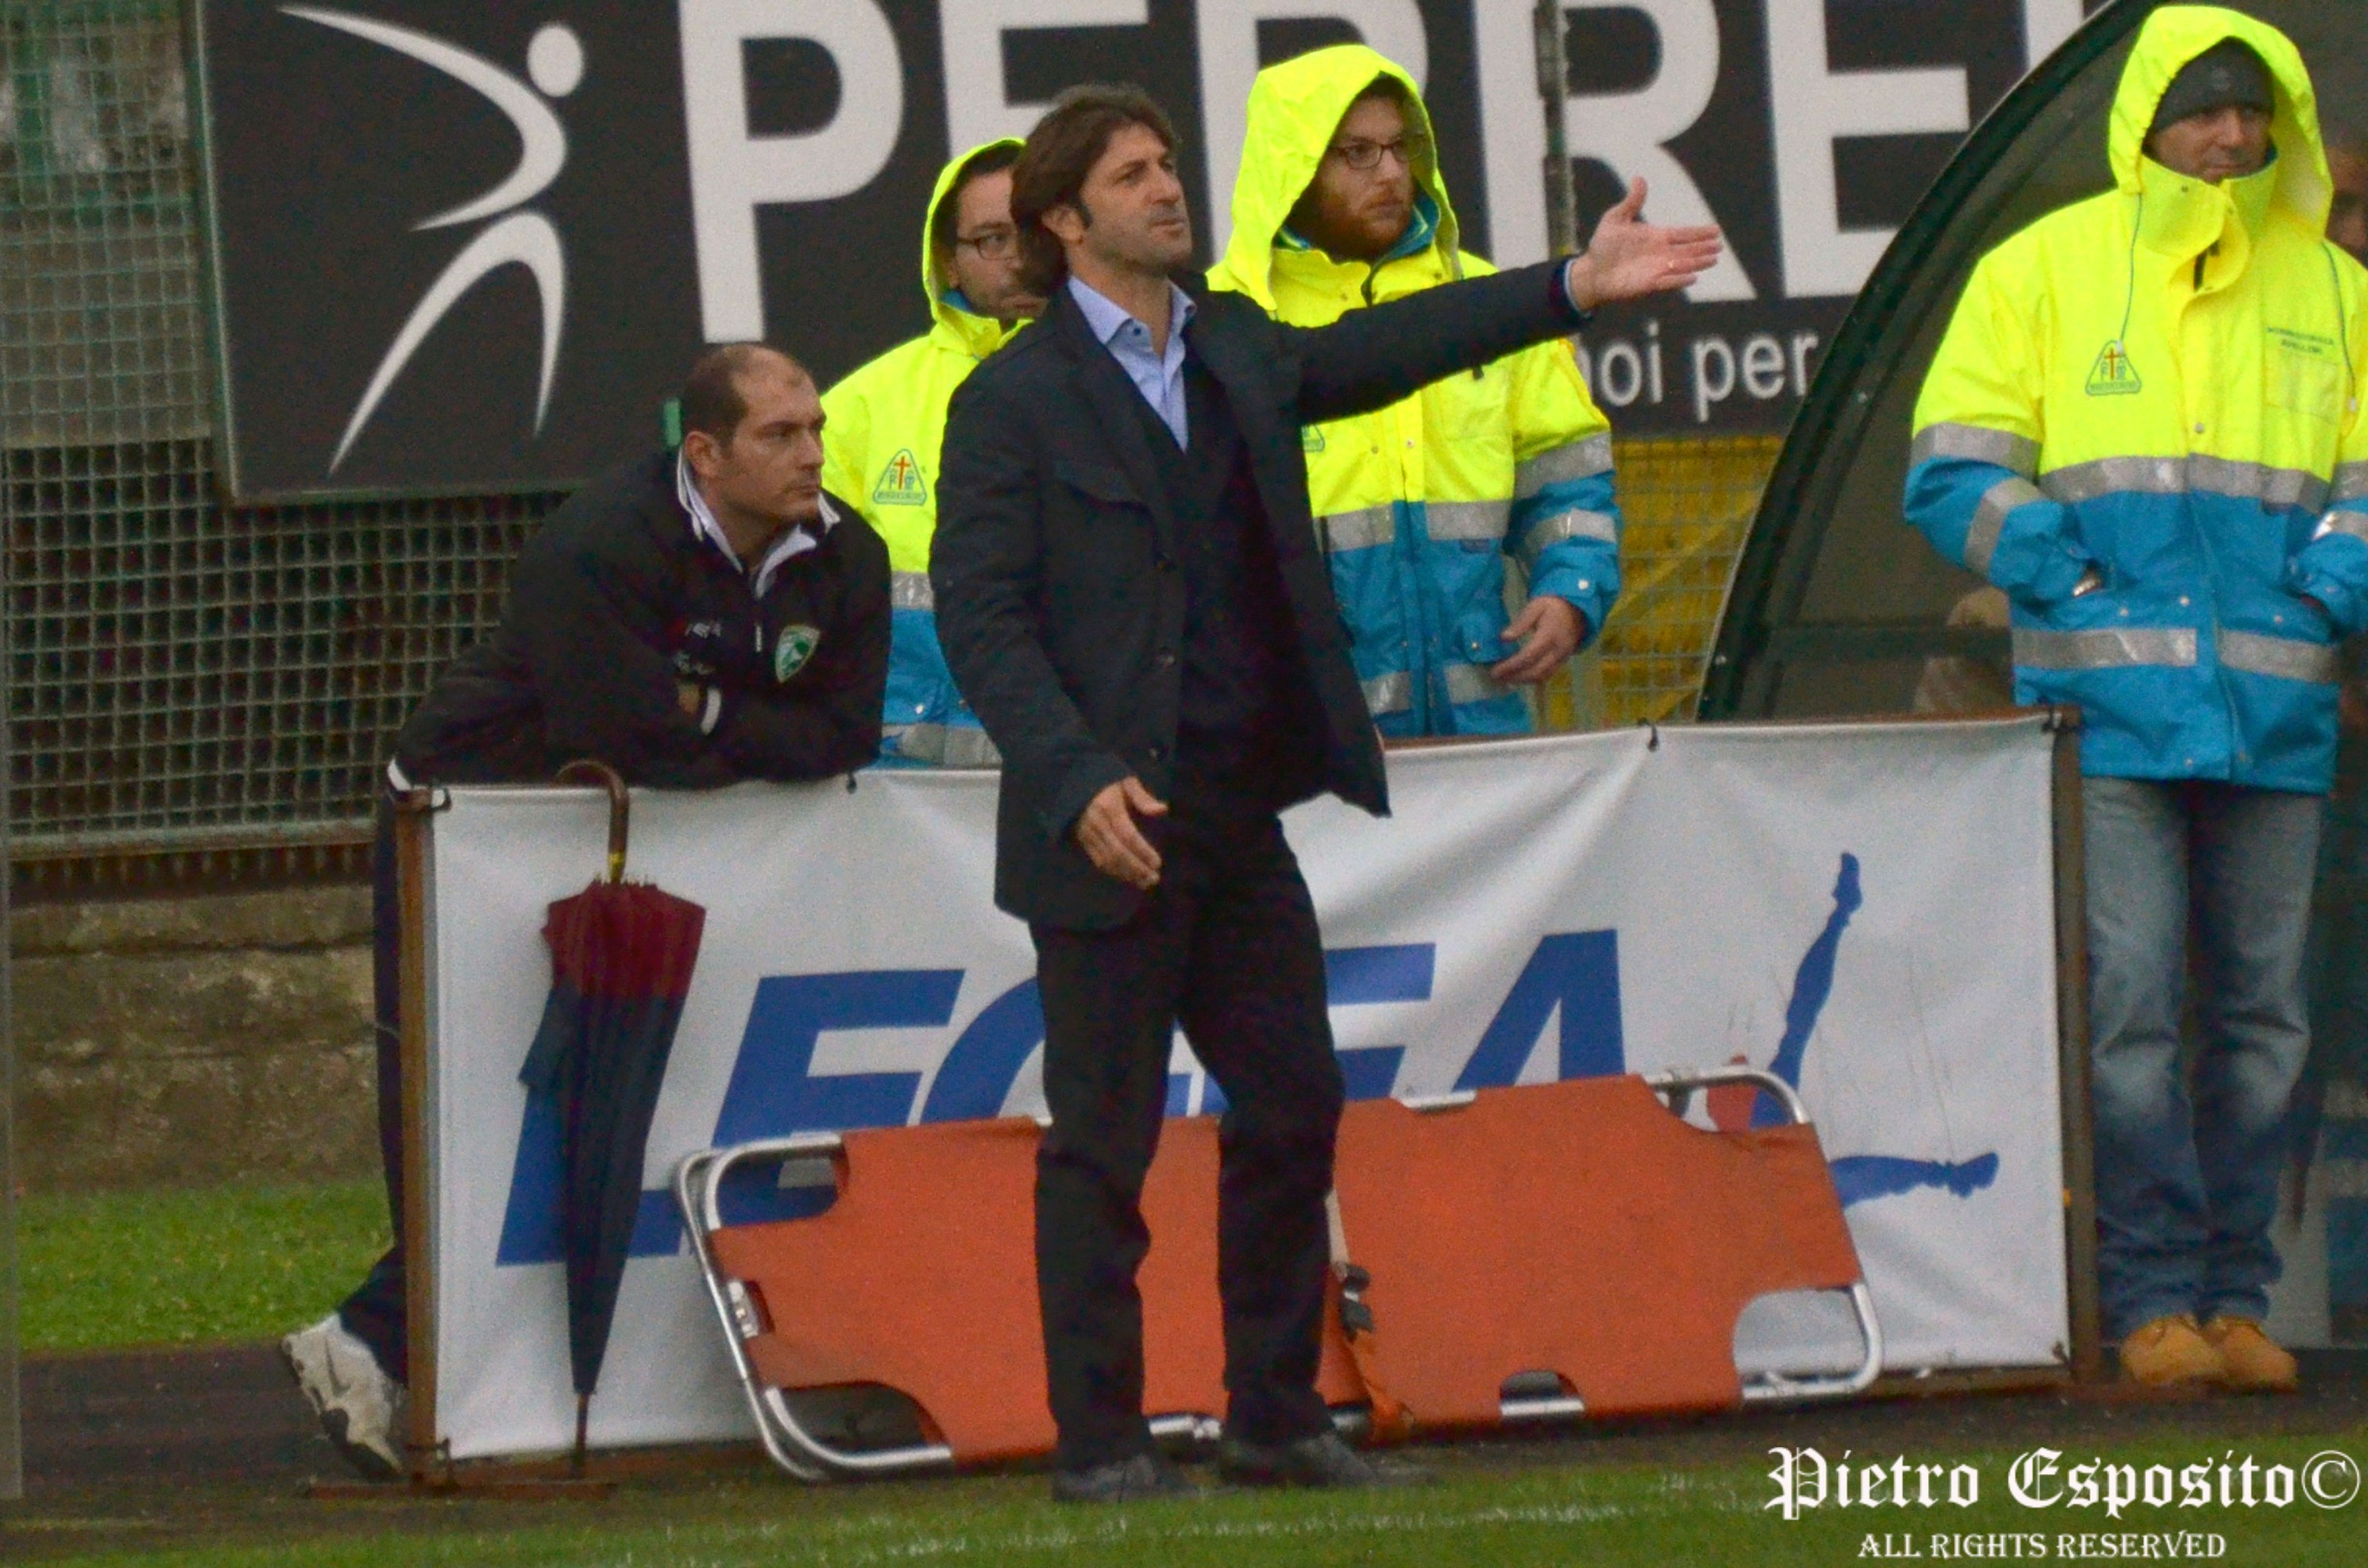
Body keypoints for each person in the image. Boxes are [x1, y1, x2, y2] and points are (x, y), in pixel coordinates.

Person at [933, 84, 1718, 1501]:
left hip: (1236, 820)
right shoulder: (1009, 399)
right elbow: (984, 619)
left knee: (1293, 1107)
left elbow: (1386, 348)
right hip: (1107, 833)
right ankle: (1101, 1444)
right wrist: (1073, 777)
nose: (1169, 188)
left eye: (1169, 164)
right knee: (1103, 1150)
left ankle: (1273, 1418)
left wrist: (1570, 288)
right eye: (1133, 174)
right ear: (1066, 220)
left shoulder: (1232, 341)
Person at [281, 343, 889, 1477]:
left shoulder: (848, 553)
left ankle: (375, 1347)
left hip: (652, 841)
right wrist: (735, 733)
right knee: (480, 1100)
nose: (813, 453)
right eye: (780, 434)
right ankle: (392, 1351)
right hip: (476, 827)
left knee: (658, 1109)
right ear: (704, 453)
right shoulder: (600, 541)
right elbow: (614, 730)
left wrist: (705, 713)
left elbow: (844, 736)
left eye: (814, 427)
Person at [1904, 7, 2368, 1392]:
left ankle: (2233, 1303)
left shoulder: (2334, 287)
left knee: (2266, 1023)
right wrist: (2066, 575)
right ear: (2146, 125)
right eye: (2202, 110)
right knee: (2134, 1017)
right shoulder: (2039, 268)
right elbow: (1949, 472)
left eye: (2251, 111)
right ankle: (2150, 1300)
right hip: (2109, 722)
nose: (2230, 135)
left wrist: (2327, 592)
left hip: (2276, 721)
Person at [1209, 45, 1629, 735]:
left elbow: (1566, 477)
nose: (1391, 173)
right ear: (1293, 168)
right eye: (1358, 154)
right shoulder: (1225, 324)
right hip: (1309, 755)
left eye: (1401, 147)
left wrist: (1568, 592)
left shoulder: (1489, 305)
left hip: (1483, 735)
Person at [823, 139, 1041, 766]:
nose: (1019, 257)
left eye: (1033, 231)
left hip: (1074, 770)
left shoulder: (1124, 380)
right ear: (949, 262)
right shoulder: (861, 406)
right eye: (993, 239)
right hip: (897, 774)